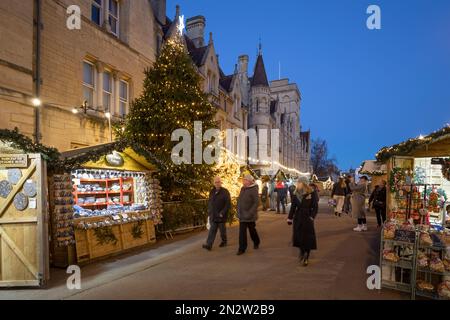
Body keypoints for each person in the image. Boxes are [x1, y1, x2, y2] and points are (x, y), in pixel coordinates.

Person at [287, 177, 319, 266]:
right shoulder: (295, 194)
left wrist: (312, 217)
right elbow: (293, 207)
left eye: (299, 182)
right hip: (298, 217)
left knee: (307, 237)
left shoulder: (311, 193)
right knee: (299, 236)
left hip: (307, 217)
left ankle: (306, 256)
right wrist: (290, 218)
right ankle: (302, 251)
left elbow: (315, 207)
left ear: (303, 183)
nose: (298, 184)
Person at [202, 176, 231, 250]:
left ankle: (224, 241)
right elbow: (210, 202)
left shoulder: (225, 192)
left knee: (222, 231)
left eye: (218, 182)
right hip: (214, 215)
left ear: (221, 182)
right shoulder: (212, 191)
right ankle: (209, 245)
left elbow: (228, 204)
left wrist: (222, 212)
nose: (217, 183)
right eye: (216, 182)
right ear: (214, 183)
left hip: (221, 215)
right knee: (212, 230)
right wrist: (209, 211)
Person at [236, 174, 260, 255]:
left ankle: (256, 241)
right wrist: (238, 210)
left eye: (244, 180)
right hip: (242, 215)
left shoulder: (253, 189)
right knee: (242, 232)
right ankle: (242, 248)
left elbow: (256, 202)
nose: (243, 181)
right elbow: (240, 200)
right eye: (243, 180)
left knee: (252, 230)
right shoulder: (243, 188)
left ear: (249, 181)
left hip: (250, 215)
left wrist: (250, 212)